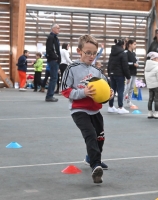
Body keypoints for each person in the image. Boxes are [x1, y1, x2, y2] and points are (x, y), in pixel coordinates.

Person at [61, 34, 114, 184]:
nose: (91, 56)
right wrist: (83, 93)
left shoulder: (98, 72)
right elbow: (65, 91)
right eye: (88, 52)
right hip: (79, 110)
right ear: (79, 51)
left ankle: (91, 158)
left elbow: (107, 90)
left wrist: (110, 94)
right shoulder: (72, 69)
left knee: (100, 138)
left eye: (94, 53)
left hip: (95, 111)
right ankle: (95, 165)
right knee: (90, 134)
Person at [107, 38, 131, 114]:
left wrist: (109, 73)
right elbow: (125, 66)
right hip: (119, 74)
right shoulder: (123, 53)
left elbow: (109, 64)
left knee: (112, 90)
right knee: (120, 90)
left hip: (112, 74)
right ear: (122, 45)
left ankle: (110, 106)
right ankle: (120, 107)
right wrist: (128, 76)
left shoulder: (112, 52)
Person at [45, 23, 61, 102]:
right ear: (53, 29)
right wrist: (55, 58)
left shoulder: (55, 38)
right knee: (54, 78)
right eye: (58, 28)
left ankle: (50, 95)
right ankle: (49, 96)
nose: (59, 29)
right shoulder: (51, 38)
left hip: (55, 60)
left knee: (54, 78)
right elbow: (49, 49)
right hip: (53, 60)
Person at [123, 39, 138, 107]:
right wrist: (133, 64)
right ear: (130, 44)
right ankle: (122, 101)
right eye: (134, 44)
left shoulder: (134, 54)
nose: (135, 45)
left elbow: (136, 61)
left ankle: (129, 101)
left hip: (134, 72)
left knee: (131, 87)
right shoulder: (126, 53)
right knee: (127, 87)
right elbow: (125, 63)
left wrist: (136, 64)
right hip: (128, 73)